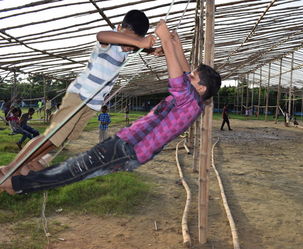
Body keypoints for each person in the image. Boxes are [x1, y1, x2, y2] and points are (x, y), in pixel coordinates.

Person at [0, 20, 221, 196]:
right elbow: (183, 73)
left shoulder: (190, 102)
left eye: (193, 76)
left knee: (73, 167)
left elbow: (179, 79)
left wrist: (164, 41)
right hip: (119, 137)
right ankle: (16, 175)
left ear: (201, 88)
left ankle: (17, 181)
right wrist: (175, 45)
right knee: (62, 150)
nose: (187, 74)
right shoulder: (193, 98)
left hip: (129, 148)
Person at [0, 10, 156, 178]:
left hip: (91, 104)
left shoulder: (125, 52)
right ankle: (10, 168)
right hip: (79, 97)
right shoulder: (109, 44)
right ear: (119, 28)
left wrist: (151, 50)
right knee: (52, 136)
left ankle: (33, 160)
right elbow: (101, 35)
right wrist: (139, 42)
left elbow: (132, 46)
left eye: (135, 43)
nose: (130, 46)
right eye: (130, 39)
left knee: (65, 136)